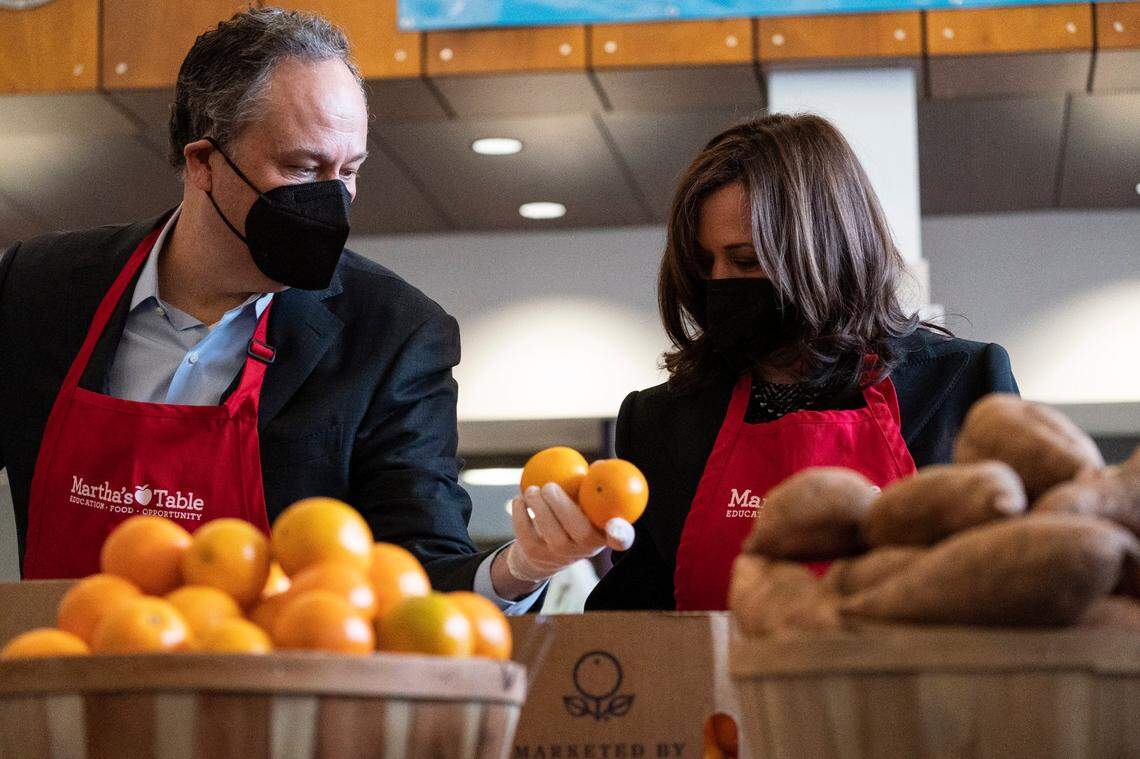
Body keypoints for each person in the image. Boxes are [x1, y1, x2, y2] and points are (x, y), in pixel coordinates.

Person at [0, 8, 628, 611]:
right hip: (52, 694)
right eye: (302, 168)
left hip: (274, 709)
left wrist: (522, 567)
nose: (333, 198)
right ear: (203, 162)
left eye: (348, 170)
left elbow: (421, 570)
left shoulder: (392, 335)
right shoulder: (39, 289)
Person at [581, 114, 1018, 611]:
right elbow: (638, 619)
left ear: (824, 251)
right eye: (704, 264)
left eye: (745, 260)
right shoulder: (661, 421)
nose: (720, 282)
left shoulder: (962, 385)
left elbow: (1013, 585)